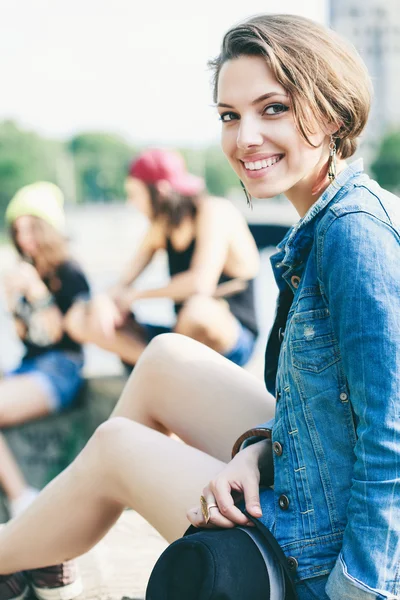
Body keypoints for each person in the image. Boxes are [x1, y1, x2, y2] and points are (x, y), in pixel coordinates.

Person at [0, 13, 397, 600]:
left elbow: (392, 436)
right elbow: (334, 409)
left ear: (333, 114)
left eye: (273, 109)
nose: (245, 138)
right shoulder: (340, 213)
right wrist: (258, 451)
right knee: (164, 357)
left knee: (116, 449)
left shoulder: (352, 235)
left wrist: (357, 591)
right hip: (312, 485)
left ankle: (24, 552)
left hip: (326, 564)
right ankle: (40, 551)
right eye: (229, 117)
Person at [65, 148, 260, 368]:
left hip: (230, 337)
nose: (131, 203)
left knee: (198, 312)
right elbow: (122, 283)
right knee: (78, 319)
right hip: (183, 336)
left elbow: (199, 284)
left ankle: (167, 368)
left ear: (160, 191)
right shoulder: (161, 228)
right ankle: (163, 368)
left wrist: (136, 296)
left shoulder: (214, 211)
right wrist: (103, 301)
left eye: (133, 195)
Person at [0, 182, 90, 525]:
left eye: (30, 227)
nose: (23, 238)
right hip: (30, 366)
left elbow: (57, 332)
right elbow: (25, 336)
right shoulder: (26, 270)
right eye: (17, 230)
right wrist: (13, 301)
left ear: (47, 227)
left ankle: (20, 497)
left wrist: (36, 292)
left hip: (61, 370)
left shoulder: (69, 271)